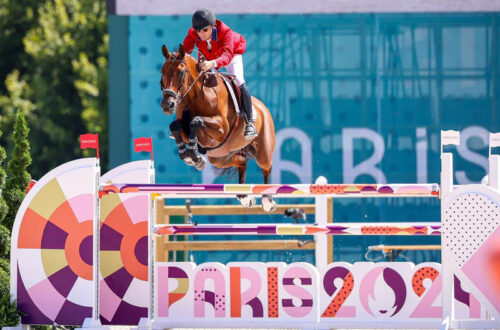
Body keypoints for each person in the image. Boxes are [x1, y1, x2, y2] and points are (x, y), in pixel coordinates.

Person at [182, 8, 257, 139]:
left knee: (239, 80)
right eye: (198, 31)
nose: (201, 34)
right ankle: (186, 121)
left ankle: (249, 122)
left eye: (205, 30)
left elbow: (227, 56)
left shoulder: (225, 31)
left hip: (231, 56)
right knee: (197, 81)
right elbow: (186, 51)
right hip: (209, 56)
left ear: (213, 26)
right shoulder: (193, 33)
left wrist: (212, 63)